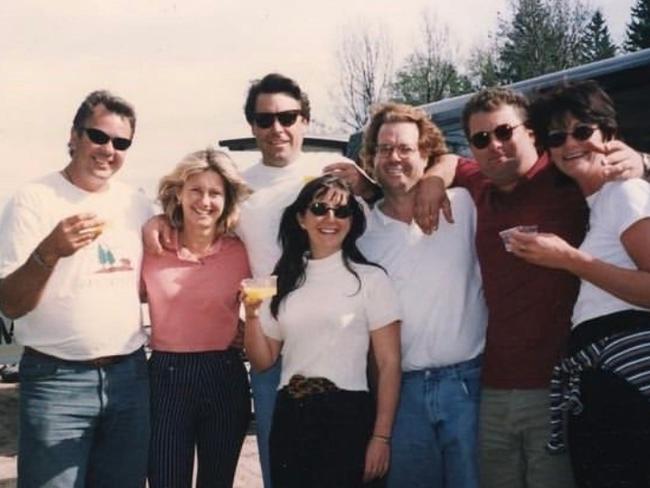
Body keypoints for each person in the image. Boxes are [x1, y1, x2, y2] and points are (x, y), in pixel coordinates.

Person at [144, 72, 388, 488]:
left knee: (347, 468)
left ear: (305, 121)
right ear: (252, 125)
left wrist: (372, 189)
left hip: (339, 347)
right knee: (282, 471)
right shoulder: (239, 187)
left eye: (288, 117)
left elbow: (386, 218)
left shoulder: (337, 176)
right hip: (270, 350)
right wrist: (159, 218)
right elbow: (200, 221)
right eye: (265, 120)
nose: (277, 128)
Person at [417, 86, 646, 488]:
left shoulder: (567, 179)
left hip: (557, 385)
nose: (495, 145)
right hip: (492, 387)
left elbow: (603, 167)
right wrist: (434, 179)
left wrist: (642, 159)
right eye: (481, 139)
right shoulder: (480, 185)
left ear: (531, 135)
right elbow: (450, 159)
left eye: (506, 132)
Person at [0, 90, 152, 487]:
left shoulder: (136, 203)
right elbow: (11, 304)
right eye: (98, 136)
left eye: (121, 143)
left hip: (129, 378)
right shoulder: (34, 200)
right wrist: (49, 251)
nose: (108, 150)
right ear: (73, 136)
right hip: (56, 382)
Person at [508, 80, 650, 487]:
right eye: (557, 136)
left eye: (582, 130)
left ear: (608, 133)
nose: (570, 143)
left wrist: (568, 259)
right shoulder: (597, 204)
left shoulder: (626, 194)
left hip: (628, 377)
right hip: (603, 379)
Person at [356, 103, 487, 488]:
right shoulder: (360, 228)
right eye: (384, 149)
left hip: (468, 385)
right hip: (401, 394)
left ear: (426, 154)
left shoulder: (464, 206)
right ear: (371, 157)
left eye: (405, 149)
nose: (394, 157)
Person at [243, 174, 401, 488]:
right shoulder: (283, 281)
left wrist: (380, 437)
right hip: (292, 418)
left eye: (341, 211)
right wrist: (250, 317)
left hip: (349, 418)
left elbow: (388, 364)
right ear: (301, 218)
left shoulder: (371, 280)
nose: (330, 218)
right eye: (319, 208)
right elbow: (263, 361)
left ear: (351, 221)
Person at [142, 148, 253, 487]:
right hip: (166, 378)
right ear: (178, 193)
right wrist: (152, 222)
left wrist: (249, 332)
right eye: (196, 190)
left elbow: (270, 300)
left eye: (215, 193)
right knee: (165, 480)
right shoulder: (153, 247)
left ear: (227, 199)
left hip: (225, 375)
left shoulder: (242, 251)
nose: (205, 201)